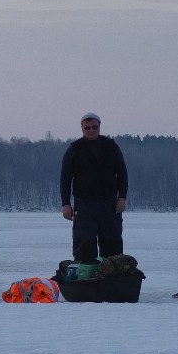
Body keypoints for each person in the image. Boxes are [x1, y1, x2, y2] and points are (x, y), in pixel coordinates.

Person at [60, 112, 129, 262]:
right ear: (82, 128)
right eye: (87, 128)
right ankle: (85, 279)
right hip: (84, 205)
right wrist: (65, 204)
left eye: (94, 127)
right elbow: (65, 178)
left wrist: (122, 197)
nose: (91, 130)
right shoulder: (74, 149)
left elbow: (122, 173)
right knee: (84, 244)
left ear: (99, 127)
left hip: (110, 203)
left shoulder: (111, 146)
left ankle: (112, 278)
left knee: (113, 243)